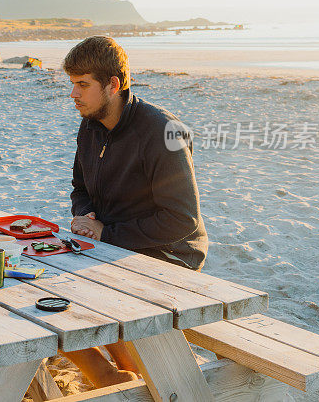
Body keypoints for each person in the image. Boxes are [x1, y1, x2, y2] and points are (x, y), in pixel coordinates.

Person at [60, 36, 208, 387]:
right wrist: (87, 217)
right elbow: (80, 187)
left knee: (83, 292)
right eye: (72, 84)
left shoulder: (163, 131)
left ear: (113, 84)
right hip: (115, 243)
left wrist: (106, 234)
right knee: (40, 286)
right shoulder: (91, 126)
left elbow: (182, 220)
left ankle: (139, 376)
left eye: (83, 85)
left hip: (170, 252)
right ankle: (109, 374)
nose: (73, 94)